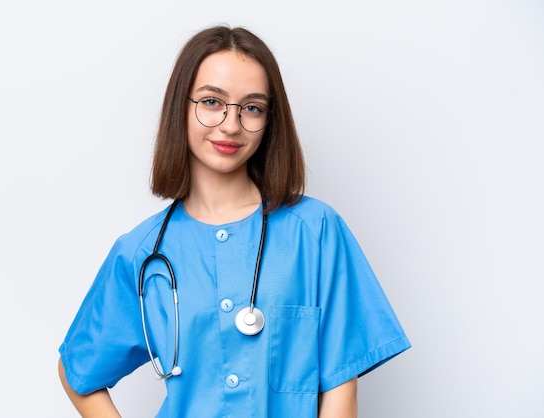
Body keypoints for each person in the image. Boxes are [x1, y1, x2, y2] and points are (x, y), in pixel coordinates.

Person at [58, 25, 411, 418]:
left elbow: (341, 389)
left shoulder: (315, 232)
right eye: (212, 101)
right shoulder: (142, 253)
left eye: (252, 107)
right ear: (182, 106)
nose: (231, 124)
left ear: (269, 119)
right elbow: (77, 372)